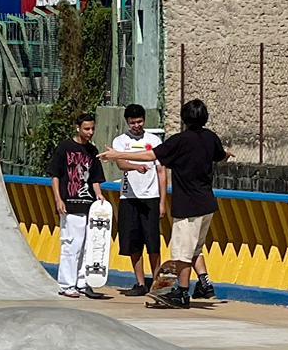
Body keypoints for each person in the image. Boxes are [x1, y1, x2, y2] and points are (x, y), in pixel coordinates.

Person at [100, 99, 231, 308]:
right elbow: (221, 156)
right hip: (207, 204)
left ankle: (182, 293)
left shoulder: (179, 141)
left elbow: (150, 156)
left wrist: (118, 154)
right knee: (195, 248)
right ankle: (204, 285)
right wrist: (227, 155)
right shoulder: (210, 137)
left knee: (182, 253)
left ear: (184, 119)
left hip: (188, 206)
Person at [46, 113, 110, 299]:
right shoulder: (65, 147)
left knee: (87, 246)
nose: (90, 132)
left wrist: (98, 194)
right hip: (70, 204)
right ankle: (66, 284)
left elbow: (95, 178)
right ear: (78, 128)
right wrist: (58, 199)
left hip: (88, 205)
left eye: (92, 128)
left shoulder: (92, 150)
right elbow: (55, 175)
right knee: (71, 245)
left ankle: (82, 283)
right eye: (86, 129)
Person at [108, 104, 165, 297]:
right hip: (129, 197)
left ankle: (157, 283)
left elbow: (161, 172)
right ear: (127, 122)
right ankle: (140, 282)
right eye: (133, 123)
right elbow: (120, 163)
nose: (136, 125)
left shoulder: (154, 140)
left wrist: (162, 201)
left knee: (153, 242)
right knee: (134, 242)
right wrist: (136, 167)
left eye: (139, 121)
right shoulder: (120, 141)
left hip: (151, 197)